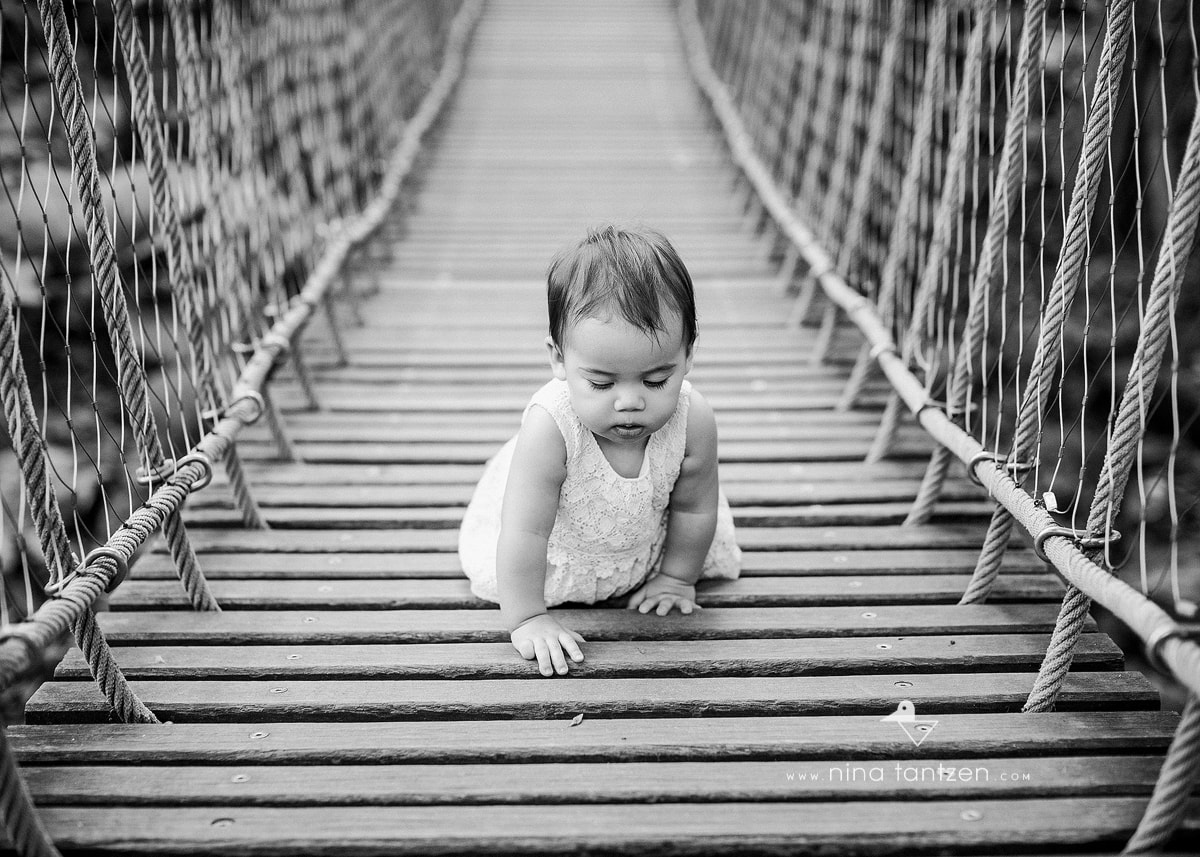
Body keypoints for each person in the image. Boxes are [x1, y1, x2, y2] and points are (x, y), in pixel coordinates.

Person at [457, 225, 741, 676]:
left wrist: (676, 578)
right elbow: (525, 531)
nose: (629, 400)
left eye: (656, 380)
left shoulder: (694, 418)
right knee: (523, 534)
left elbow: (694, 510)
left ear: (688, 354)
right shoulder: (551, 426)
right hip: (553, 554)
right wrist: (528, 617)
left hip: (644, 544)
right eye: (601, 383)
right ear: (558, 360)